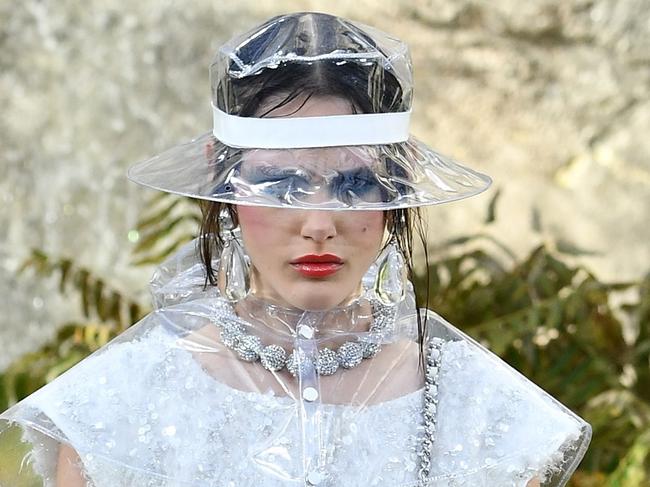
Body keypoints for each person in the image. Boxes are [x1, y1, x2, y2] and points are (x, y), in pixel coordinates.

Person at [0, 12, 591, 487]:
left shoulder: (481, 409)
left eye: (356, 184)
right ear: (223, 186)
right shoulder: (120, 404)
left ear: (398, 190)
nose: (319, 223)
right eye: (279, 184)